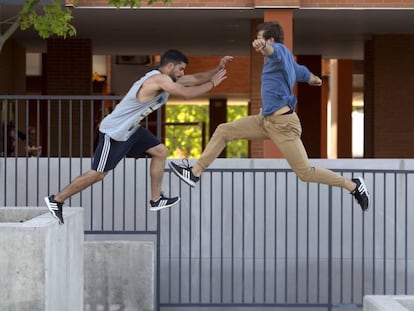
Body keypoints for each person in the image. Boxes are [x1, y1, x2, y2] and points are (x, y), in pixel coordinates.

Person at [169, 21, 369, 211]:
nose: (256, 43)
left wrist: (264, 46)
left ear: (271, 40)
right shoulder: (287, 63)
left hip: (284, 125)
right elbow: (302, 73)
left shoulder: (279, 52)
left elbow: (273, 52)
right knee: (224, 130)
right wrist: (314, 79)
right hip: (264, 121)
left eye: (260, 38)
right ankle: (195, 172)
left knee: (305, 173)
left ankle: (353, 185)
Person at [44, 49, 233, 224]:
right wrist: (213, 83)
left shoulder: (168, 79)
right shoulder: (158, 80)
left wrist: (217, 68)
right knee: (98, 174)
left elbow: (196, 78)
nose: (183, 74)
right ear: (170, 66)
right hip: (114, 132)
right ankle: (56, 200)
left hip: (131, 130)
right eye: (181, 69)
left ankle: (156, 199)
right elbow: (186, 93)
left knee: (161, 151)